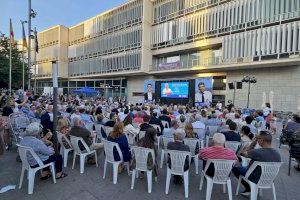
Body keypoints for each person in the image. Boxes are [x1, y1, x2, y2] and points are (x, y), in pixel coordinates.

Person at [232, 131, 281, 196]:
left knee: (235, 168)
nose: (257, 140)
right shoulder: (277, 154)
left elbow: (242, 153)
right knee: (245, 166)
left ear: (262, 140)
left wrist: (253, 143)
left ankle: (249, 188)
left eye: (257, 138)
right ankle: (251, 188)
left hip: (254, 177)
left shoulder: (257, 152)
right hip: (270, 179)